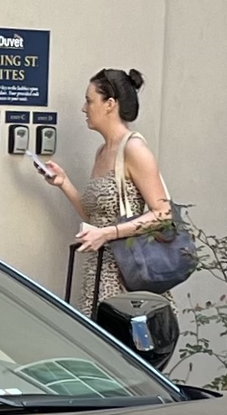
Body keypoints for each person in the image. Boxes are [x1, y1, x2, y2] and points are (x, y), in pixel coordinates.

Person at [37, 67, 172, 313]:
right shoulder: (102, 152)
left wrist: (108, 234)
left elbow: (163, 213)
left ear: (110, 104)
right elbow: (95, 219)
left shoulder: (134, 149)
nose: (83, 108)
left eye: (89, 101)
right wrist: (64, 183)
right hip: (98, 274)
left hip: (128, 279)